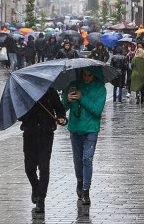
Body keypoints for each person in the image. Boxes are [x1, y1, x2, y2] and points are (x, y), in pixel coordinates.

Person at [62, 67, 107, 205]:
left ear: (95, 76)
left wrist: (82, 98)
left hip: (91, 128)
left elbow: (97, 110)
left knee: (87, 159)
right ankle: (80, 181)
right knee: (78, 160)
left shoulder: (101, 89)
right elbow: (62, 107)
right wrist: (67, 100)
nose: (86, 78)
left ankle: (86, 190)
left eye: (90, 75)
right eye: (84, 75)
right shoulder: (73, 85)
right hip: (75, 128)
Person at [19, 87, 66, 213]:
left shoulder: (50, 91)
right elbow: (20, 115)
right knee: (29, 168)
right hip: (30, 134)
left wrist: (62, 118)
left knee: (44, 167)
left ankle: (41, 199)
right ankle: (36, 188)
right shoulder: (26, 92)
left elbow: (60, 109)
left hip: (46, 134)